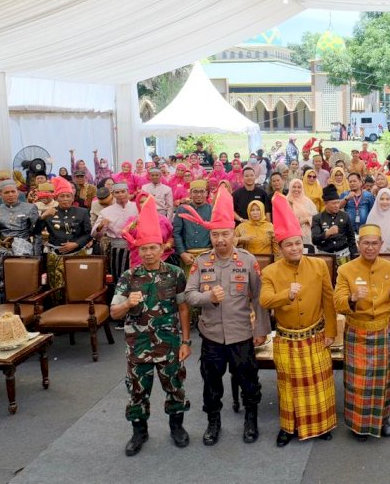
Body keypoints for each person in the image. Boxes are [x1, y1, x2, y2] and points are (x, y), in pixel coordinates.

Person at [184, 187, 269, 445]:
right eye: (215, 234)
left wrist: (261, 330)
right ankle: (213, 422)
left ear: (234, 234)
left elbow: (259, 297)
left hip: (242, 333)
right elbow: (188, 295)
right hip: (211, 336)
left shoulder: (247, 260)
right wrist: (207, 298)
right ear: (210, 235)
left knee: (249, 382)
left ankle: (251, 420)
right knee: (211, 384)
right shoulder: (201, 262)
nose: (220, 239)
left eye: (225, 234)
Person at [110, 198, 191, 456]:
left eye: (152, 248)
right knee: (137, 392)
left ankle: (176, 427)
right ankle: (139, 432)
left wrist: (186, 342)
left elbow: (183, 308)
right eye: (143, 248)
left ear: (161, 248)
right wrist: (126, 305)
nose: (147, 253)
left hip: (169, 343)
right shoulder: (128, 276)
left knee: (174, 387)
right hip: (139, 345)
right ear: (139, 249)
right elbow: (113, 312)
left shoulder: (175, 273)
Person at [260, 194, 337, 446]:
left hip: (315, 335)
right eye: (288, 245)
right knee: (289, 387)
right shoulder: (270, 272)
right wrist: (286, 295)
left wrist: (331, 332)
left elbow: (329, 300)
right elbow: (264, 301)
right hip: (287, 338)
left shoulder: (319, 266)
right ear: (280, 248)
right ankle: (288, 428)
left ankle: (323, 425)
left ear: (302, 243)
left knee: (319, 384)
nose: (293, 248)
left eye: (296, 243)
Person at [334, 225, 390, 441]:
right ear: (358, 245)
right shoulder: (346, 270)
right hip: (357, 330)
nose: (370, 247)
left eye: (375, 243)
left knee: (383, 380)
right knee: (357, 382)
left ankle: (382, 420)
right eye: (366, 243)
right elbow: (337, 302)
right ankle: (358, 424)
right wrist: (352, 299)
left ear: (381, 245)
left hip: (384, 329)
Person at [35, 177, 92, 305]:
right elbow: (36, 231)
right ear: (56, 198)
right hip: (55, 256)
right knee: (56, 285)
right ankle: (57, 309)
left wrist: (75, 244)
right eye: (62, 196)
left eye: (68, 196)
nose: (65, 199)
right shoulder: (50, 212)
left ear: (73, 198)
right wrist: (42, 217)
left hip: (77, 255)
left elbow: (88, 234)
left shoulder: (82, 212)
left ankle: (79, 309)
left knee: (79, 282)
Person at [92, 182, 139, 297]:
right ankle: (120, 303)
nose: (120, 194)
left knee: (138, 277)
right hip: (118, 249)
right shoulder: (106, 212)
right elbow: (94, 234)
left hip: (138, 249)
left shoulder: (137, 206)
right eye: (117, 192)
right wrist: (101, 226)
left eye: (123, 191)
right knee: (120, 276)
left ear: (128, 193)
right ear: (113, 194)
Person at [311, 185, 357, 264]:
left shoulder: (344, 216)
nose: (336, 206)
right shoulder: (317, 218)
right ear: (325, 203)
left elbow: (351, 238)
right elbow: (314, 239)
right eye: (333, 203)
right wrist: (327, 233)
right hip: (325, 258)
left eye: (338, 202)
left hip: (344, 256)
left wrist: (354, 257)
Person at [286, 178, 317, 246]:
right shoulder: (286, 201)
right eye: (294, 187)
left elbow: (316, 217)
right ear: (290, 187)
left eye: (299, 187)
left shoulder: (308, 201)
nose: (296, 189)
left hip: (306, 234)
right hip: (290, 234)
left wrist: (306, 220)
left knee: (306, 253)